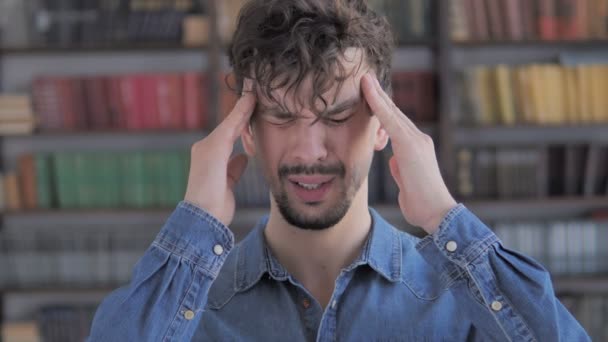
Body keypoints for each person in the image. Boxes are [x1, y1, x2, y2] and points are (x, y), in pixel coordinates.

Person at [88, 0, 590, 340]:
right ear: (245, 130)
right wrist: (195, 223)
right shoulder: (187, 309)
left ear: (382, 125)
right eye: (281, 116)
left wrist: (442, 215)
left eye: (337, 116)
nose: (310, 150)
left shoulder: (464, 300)